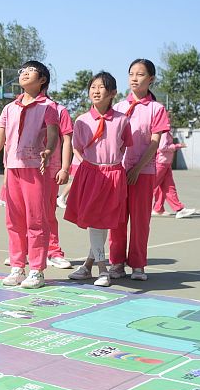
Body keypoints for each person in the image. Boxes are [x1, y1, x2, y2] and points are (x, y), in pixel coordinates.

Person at [0, 61, 60, 289]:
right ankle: (18, 267)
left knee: (36, 220)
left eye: (30, 71)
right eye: (22, 71)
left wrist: (49, 149)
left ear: (42, 81)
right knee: (14, 220)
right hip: (12, 169)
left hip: (34, 170)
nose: (24, 74)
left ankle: (37, 271)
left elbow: (52, 133)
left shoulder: (48, 107)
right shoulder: (9, 109)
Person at [64, 72, 132, 287]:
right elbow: (76, 147)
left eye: (101, 87)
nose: (95, 91)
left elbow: (123, 146)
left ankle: (87, 266)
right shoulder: (82, 120)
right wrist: (89, 166)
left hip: (113, 174)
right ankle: (102, 269)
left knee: (102, 222)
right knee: (95, 222)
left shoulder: (122, 120)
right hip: (91, 173)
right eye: (92, 87)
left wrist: (110, 166)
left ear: (112, 93)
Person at [108, 59, 171, 282]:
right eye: (131, 73)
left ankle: (138, 264)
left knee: (140, 220)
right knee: (116, 220)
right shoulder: (117, 108)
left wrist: (137, 168)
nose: (135, 78)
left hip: (143, 172)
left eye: (140, 74)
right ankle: (115, 262)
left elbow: (154, 143)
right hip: (117, 172)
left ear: (151, 79)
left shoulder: (157, 108)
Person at [44, 90, 75, 269]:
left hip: (49, 169)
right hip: (25, 169)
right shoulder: (17, 108)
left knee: (48, 213)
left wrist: (64, 168)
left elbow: (66, 140)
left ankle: (53, 251)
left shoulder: (59, 110)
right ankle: (26, 251)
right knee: (25, 213)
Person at [153, 127, 195, 219]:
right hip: (161, 163)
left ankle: (177, 209)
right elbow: (162, 147)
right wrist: (177, 146)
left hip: (166, 163)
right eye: (168, 118)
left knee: (169, 187)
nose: (170, 121)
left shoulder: (167, 132)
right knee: (150, 187)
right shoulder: (164, 133)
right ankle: (135, 206)